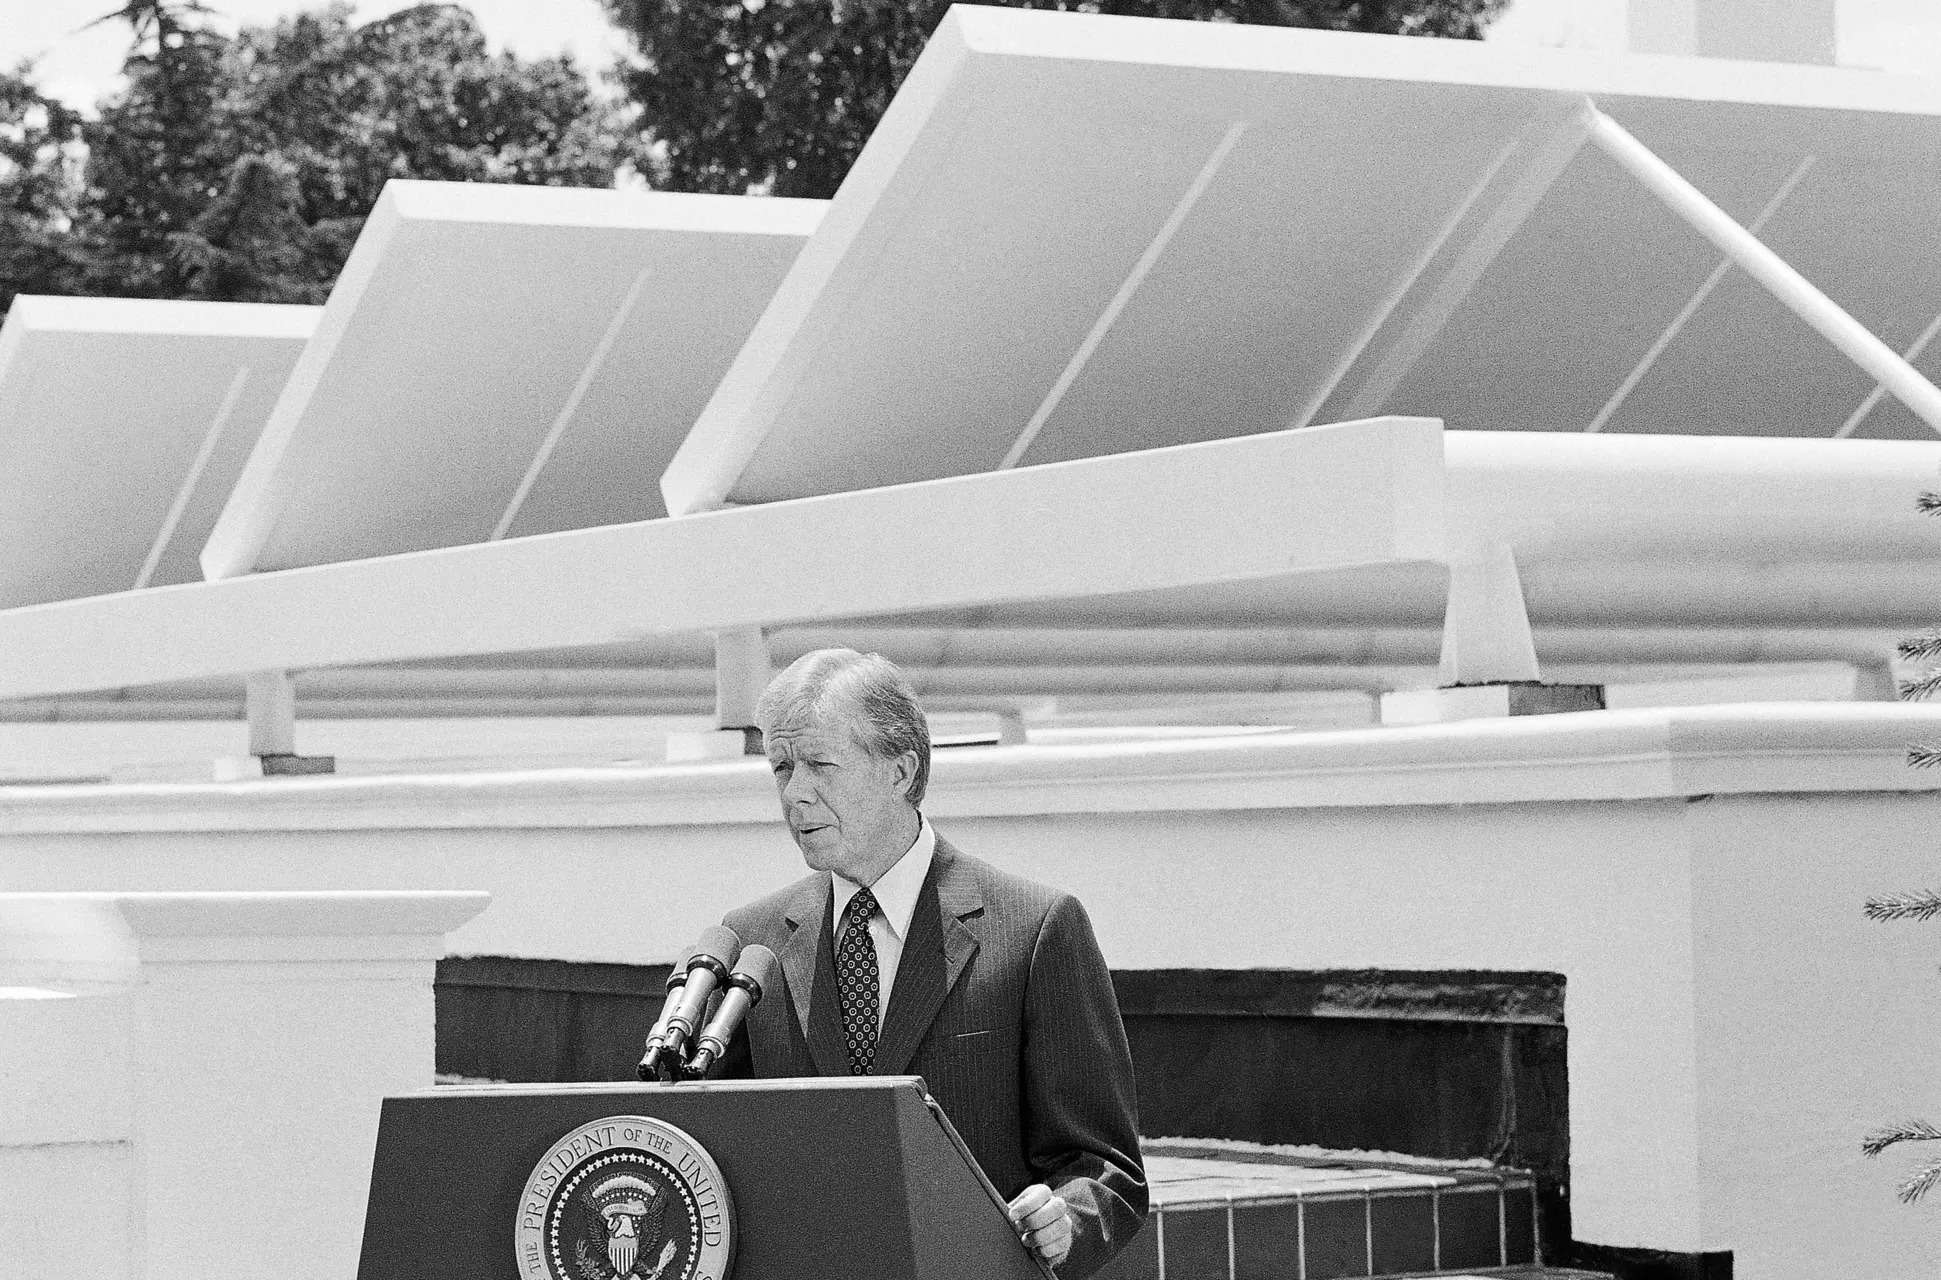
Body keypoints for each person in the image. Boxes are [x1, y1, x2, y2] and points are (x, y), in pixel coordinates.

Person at [716, 648, 1146, 1279]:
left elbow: (1108, 1171)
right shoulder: (749, 944)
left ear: (900, 770)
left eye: (819, 766)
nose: (794, 792)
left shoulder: (1034, 929)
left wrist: (1065, 1219)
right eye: (782, 768)